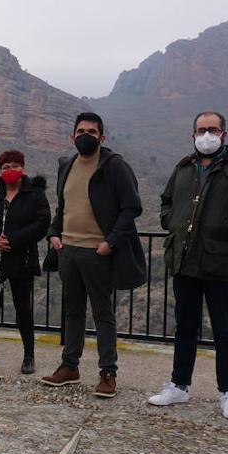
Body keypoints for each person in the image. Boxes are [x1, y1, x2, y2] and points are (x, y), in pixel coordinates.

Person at [148, 111, 228, 419]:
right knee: (185, 326)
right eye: (201, 129)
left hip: (221, 261)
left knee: (224, 330)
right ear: (193, 134)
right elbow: (166, 201)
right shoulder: (184, 167)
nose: (206, 135)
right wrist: (171, 222)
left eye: (212, 129)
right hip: (184, 259)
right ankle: (179, 385)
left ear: (223, 133)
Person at [42, 111, 145, 398]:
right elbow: (63, 207)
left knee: (102, 313)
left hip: (97, 253)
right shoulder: (66, 165)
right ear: (72, 136)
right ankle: (69, 366)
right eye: (81, 131)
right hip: (68, 251)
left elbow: (131, 208)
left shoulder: (114, 166)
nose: (85, 136)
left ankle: (108, 373)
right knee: (73, 311)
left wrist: (110, 242)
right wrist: (53, 233)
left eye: (91, 131)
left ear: (102, 137)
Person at [0, 150, 51, 373]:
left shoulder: (35, 194)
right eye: (5, 167)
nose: (10, 170)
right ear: (0, 169)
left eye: (15, 166)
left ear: (23, 167)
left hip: (22, 260)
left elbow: (42, 223)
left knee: (23, 308)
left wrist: (13, 241)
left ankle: (29, 356)